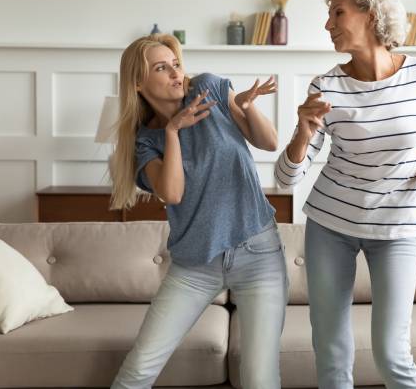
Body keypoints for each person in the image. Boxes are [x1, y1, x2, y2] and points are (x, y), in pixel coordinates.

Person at [275, 0, 416, 389]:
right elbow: (287, 178)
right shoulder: (327, 87)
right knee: (333, 355)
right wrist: (303, 130)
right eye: (328, 14)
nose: (327, 24)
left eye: (337, 12)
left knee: (393, 354)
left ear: (371, 15)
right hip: (330, 225)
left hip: (397, 226)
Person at [110, 33, 287, 389]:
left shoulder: (210, 89)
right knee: (139, 368)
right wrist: (173, 132)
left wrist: (248, 106)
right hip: (194, 266)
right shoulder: (145, 142)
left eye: (176, 64)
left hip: (258, 254)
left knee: (258, 379)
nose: (176, 73)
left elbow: (268, 142)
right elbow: (172, 192)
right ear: (138, 82)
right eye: (162, 68)